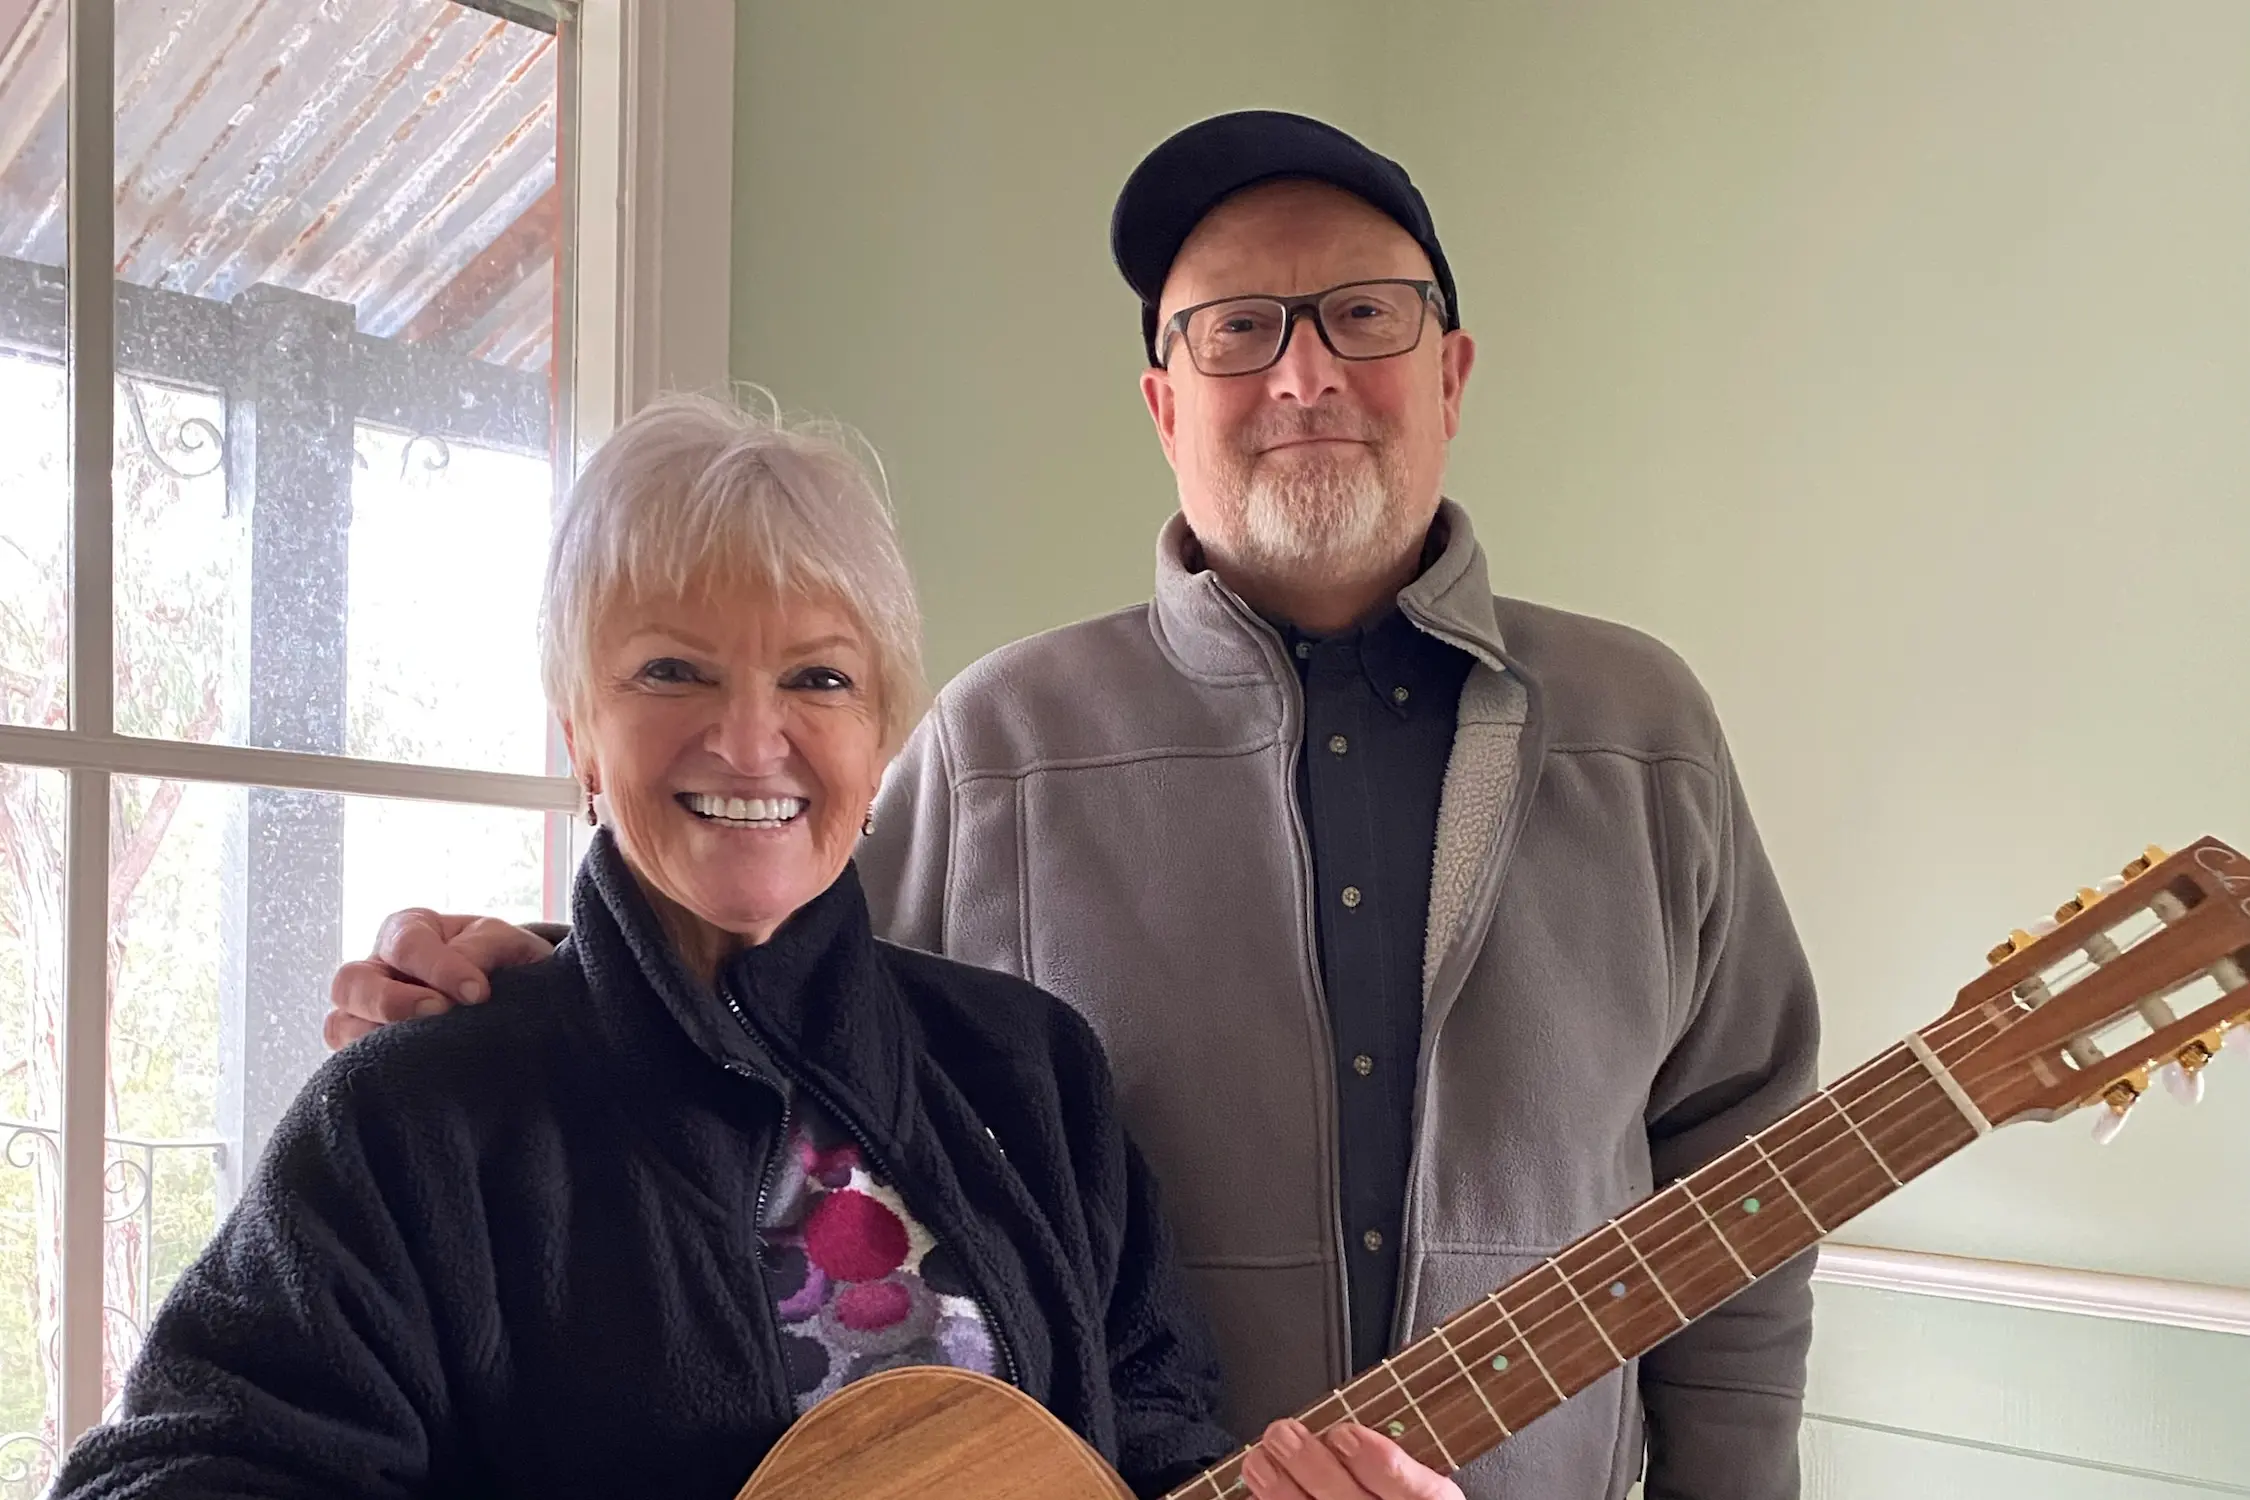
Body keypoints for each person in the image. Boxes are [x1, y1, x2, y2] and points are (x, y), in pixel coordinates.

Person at [330, 112, 1821, 1500]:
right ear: (1165, 403)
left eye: (1364, 315)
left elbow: (1744, 1181)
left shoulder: (1647, 737)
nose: (1303, 376)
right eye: (1238, 330)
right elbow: (787, 995)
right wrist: (531, 976)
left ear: (1452, 369)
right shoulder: (1003, 743)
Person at [52, 396, 1240, 1500]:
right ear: (580, 734)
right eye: (672, 670)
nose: (747, 738)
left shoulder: (1032, 1071)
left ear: (877, 743)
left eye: (817, 677)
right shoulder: (412, 1119)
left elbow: (1159, 1428)